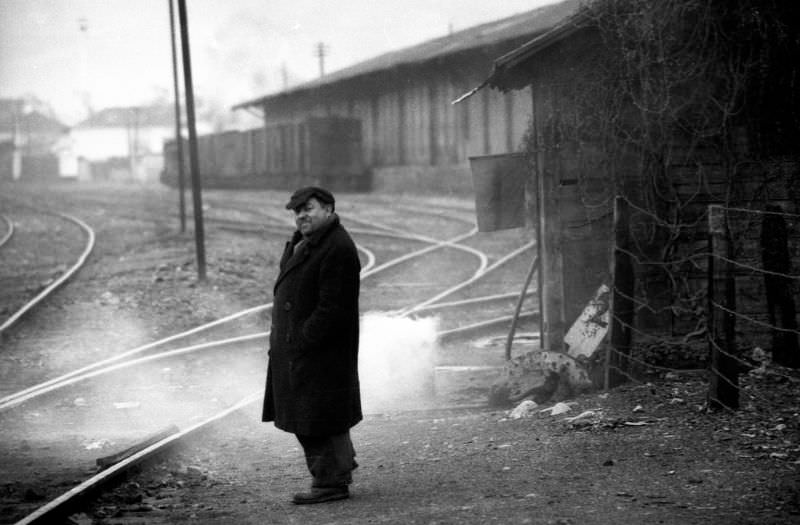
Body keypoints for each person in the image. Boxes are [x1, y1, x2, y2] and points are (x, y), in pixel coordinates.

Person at [262, 186, 362, 505]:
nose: (301, 215)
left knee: (318, 417)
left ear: (329, 209)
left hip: (320, 351)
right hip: (303, 349)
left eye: (309, 208)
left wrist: (303, 338)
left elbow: (334, 307)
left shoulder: (337, 247)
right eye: (297, 211)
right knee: (316, 415)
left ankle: (330, 483)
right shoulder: (305, 241)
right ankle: (337, 471)